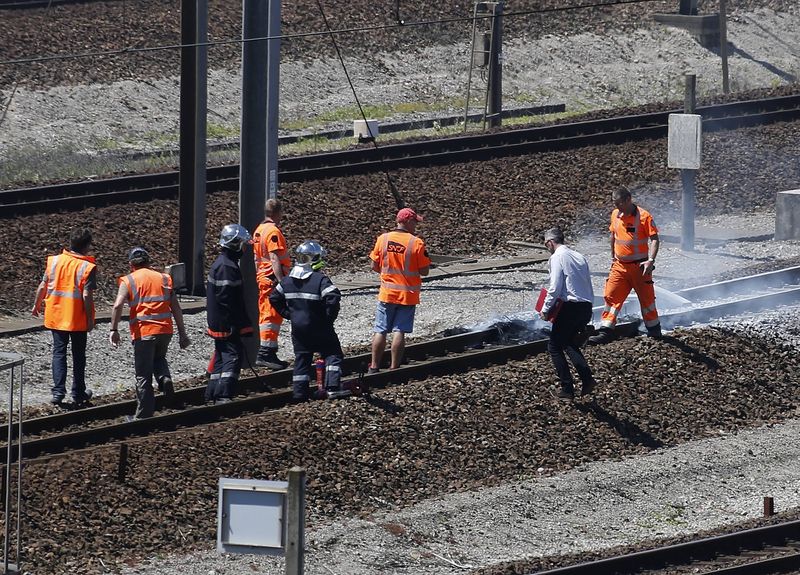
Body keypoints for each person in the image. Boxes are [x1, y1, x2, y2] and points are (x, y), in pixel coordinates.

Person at [109, 247, 191, 419]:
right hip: (165, 330)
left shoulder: (128, 280)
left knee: (143, 374)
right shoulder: (163, 278)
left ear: (131, 264)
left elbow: (117, 306)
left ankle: (143, 414)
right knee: (159, 358)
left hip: (144, 332)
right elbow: (175, 307)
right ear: (149, 262)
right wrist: (182, 334)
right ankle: (164, 378)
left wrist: (114, 330)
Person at [269, 241, 345, 401]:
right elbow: (333, 298)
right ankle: (332, 387)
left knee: (302, 359)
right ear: (314, 259)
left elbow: (274, 298)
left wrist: (289, 314)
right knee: (332, 354)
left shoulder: (287, 281)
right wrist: (327, 318)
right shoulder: (319, 280)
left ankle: (299, 394)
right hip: (320, 327)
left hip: (298, 329)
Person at [587, 186, 662, 344]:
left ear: (628, 199)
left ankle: (654, 331)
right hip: (620, 266)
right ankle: (606, 330)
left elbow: (654, 239)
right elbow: (613, 235)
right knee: (611, 297)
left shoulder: (644, 216)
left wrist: (651, 260)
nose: (617, 206)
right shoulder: (615, 214)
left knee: (647, 301)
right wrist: (613, 256)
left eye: (619, 203)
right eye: (615, 203)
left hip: (640, 267)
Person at [31, 228, 96, 407]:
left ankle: (58, 393)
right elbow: (86, 296)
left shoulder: (54, 261)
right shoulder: (87, 267)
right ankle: (78, 393)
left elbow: (43, 284)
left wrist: (36, 305)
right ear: (86, 246)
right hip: (77, 318)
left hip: (57, 315)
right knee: (78, 356)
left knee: (59, 353)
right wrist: (90, 319)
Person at [369, 207, 431, 373]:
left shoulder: (383, 239)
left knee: (380, 330)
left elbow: (374, 265)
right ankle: (394, 367)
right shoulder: (416, 243)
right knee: (399, 331)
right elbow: (424, 271)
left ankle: (374, 366)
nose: (416, 226)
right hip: (407, 295)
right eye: (415, 223)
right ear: (408, 222)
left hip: (387, 293)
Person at [540, 227, 598, 401]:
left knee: (554, 346)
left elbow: (555, 286)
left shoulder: (557, 257)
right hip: (585, 306)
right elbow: (587, 283)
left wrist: (545, 309)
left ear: (550, 242)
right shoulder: (579, 256)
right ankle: (587, 380)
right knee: (569, 343)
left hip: (570, 307)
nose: (547, 248)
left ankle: (567, 389)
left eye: (546, 245)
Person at [205, 224, 255, 404]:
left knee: (220, 356)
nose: (244, 248)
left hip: (219, 321)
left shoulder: (222, 263)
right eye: (243, 244)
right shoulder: (227, 267)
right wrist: (236, 324)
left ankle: (212, 393)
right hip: (226, 324)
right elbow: (228, 299)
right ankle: (223, 395)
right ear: (235, 245)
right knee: (233, 356)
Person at [252, 198, 291, 370]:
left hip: (263, 276)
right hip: (271, 279)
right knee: (271, 316)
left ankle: (270, 352)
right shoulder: (273, 232)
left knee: (267, 314)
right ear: (277, 213)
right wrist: (282, 282)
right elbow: (275, 258)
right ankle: (265, 353)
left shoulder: (258, 230)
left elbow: (256, 258)